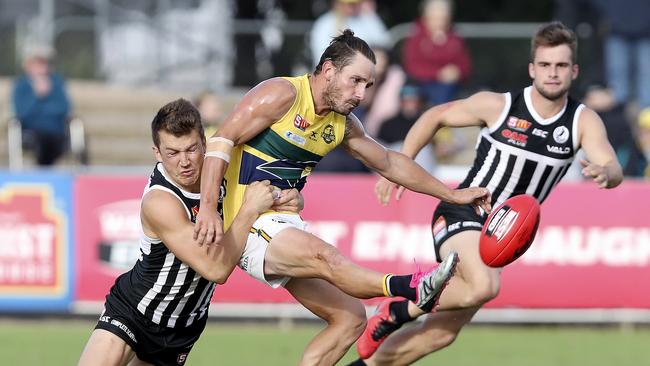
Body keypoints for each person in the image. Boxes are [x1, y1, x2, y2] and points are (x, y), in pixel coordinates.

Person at [194, 30, 491, 365]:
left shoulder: (342, 124)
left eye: (368, 85)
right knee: (326, 257)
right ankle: (411, 286)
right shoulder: (283, 94)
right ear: (329, 70)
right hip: (246, 221)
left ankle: (409, 290)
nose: (361, 94)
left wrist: (452, 193)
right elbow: (221, 140)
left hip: (281, 221)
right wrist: (208, 208)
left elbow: (390, 162)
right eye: (356, 81)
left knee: (351, 319)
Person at [352, 21, 623, 365]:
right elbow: (435, 116)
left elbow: (612, 166)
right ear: (532, 69)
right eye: (545, 65)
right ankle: (400, 307)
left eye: (560, 66)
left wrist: (606, 173)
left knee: (440, 334)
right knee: (484, 287)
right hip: (463, 211)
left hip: (502, 235)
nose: (552, 73)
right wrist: (400, 165)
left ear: (574, 70)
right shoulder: (499, 106)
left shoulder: (582, 121)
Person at [77, 98, 304, 366]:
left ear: (205, 144)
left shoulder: (224, 171)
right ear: (157, 153)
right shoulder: (160, 202)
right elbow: (216, 269)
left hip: (184, 327)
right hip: (134, 311)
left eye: (191, 150)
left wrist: (289, 198)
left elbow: (275, 188)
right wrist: (248, 210)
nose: (184, 162)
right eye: (172, 153)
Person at [401, 0, 471, 107]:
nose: (440, 22)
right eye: (436, 18)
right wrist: (438, 74)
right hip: (422, 84)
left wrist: (457, 72)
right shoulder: (416, 37)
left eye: (444, 18)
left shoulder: (455, 37)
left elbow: (466, 66)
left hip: (452, 85)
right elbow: (412, 66)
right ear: (426, 17)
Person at [12, 43, 71, 166]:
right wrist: (37, 96)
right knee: (40, 142)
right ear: (29, 65)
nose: (43, 67)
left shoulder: (56, 83)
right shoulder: (21, 85)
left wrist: (43, 109)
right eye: (39, 63)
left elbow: (63, 108)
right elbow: (22, 112)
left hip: (56, 131)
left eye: (46, 63)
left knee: (61, 140)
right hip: (32, 131)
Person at [309, 0, 390, 67]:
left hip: (367, 68)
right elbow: (322, 57)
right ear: (337, 3)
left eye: (355, 3)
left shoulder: (369, 19)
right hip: (337, 71)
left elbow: (384, 45)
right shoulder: (324, 23)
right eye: (348, 4)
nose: (352, 7)